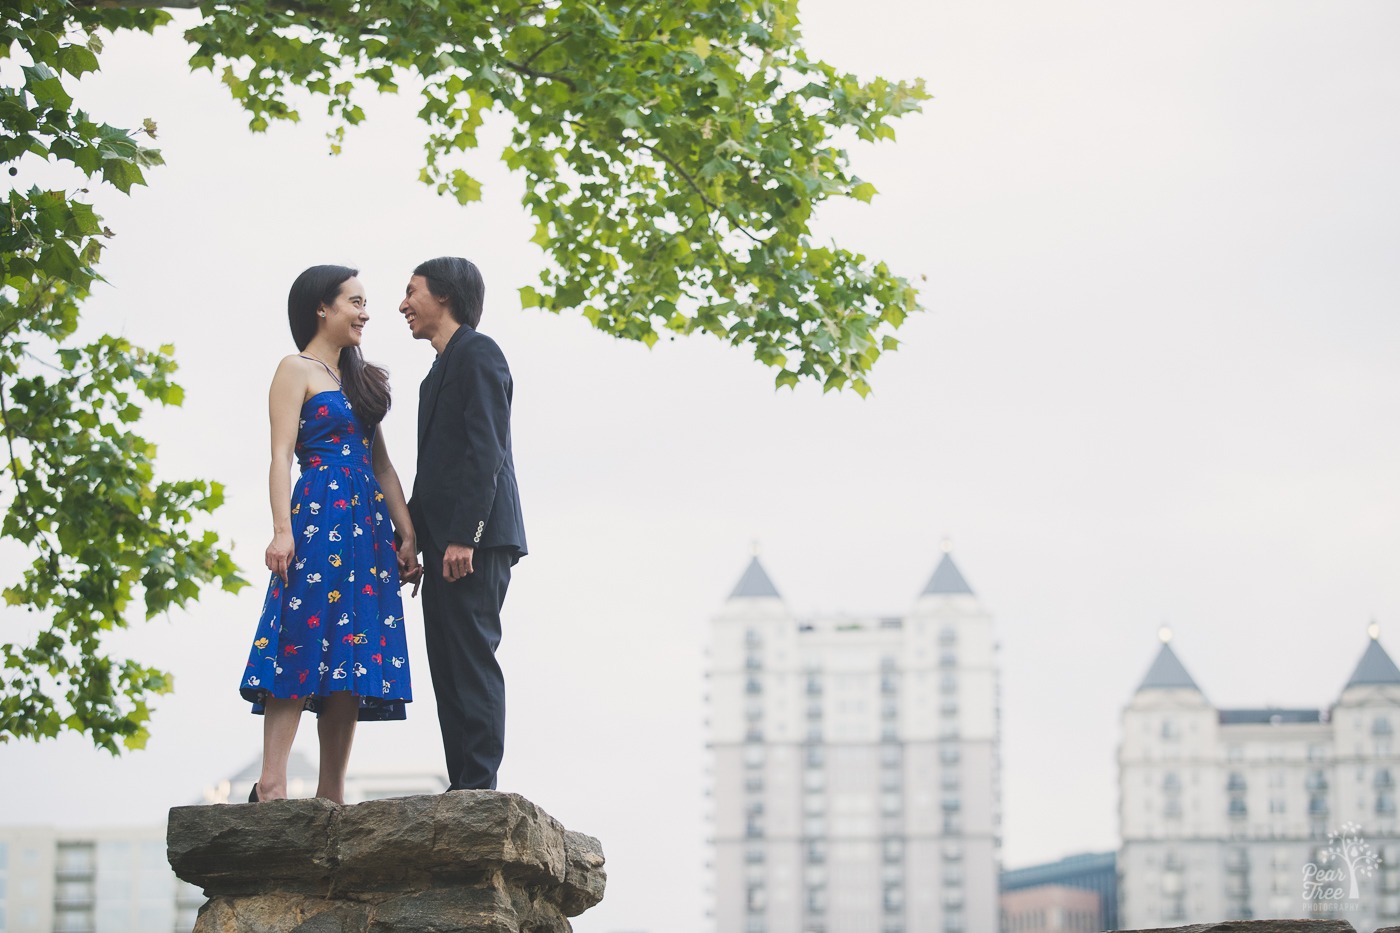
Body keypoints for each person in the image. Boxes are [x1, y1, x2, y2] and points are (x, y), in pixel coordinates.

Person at [240, 265, 423, 804]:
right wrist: (281, 532)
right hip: (318, 515)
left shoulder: (360, 381)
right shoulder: (294, 369)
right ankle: (271, 784)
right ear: (323, 307)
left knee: (353, 650)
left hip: (367, 527)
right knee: (301, 633)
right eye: (356, 302)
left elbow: (384, 466)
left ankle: (331, 793)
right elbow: (278, 456)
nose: (366, 313)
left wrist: (406, 534)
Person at [399, 256, 526, 791]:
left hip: (476, 542)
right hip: (443, 546)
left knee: (471, 659)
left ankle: (480, 787)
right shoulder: (435, 374)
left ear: (445, 295)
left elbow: (485, 452)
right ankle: (462, 786)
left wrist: (462, 537)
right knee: (446, 667)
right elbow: (433, 473)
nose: (402, 305)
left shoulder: (479, 353)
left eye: (412, 292)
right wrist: (408, 540)